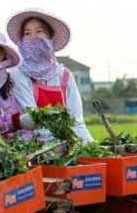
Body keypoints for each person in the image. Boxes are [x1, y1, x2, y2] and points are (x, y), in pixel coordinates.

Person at [6, 9, 94, 143]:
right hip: (35, 148)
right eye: (27, 33)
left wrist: (89, 145)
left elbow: (76, 121)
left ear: (50, 37)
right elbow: (33, 122)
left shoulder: (64, 75)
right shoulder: (17, 74)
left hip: (67, 145)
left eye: (39, 31)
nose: (33, 37)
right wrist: (59, 146)